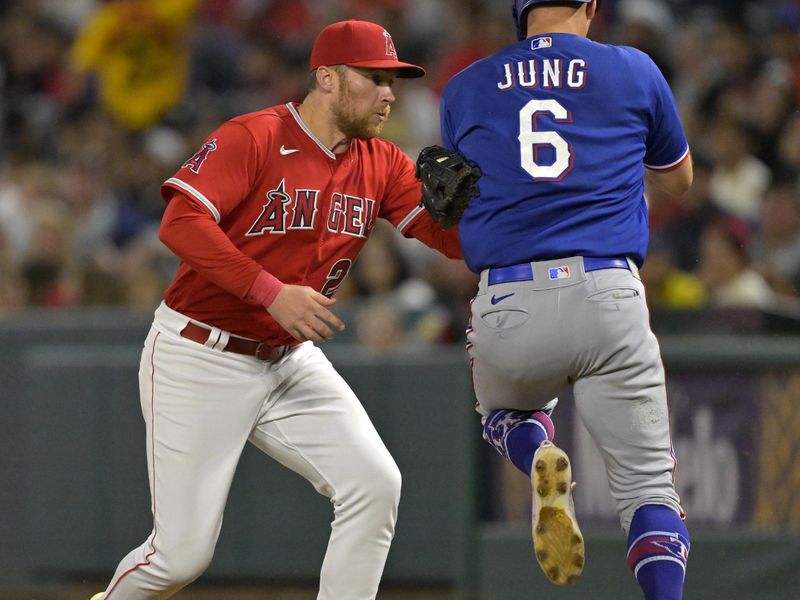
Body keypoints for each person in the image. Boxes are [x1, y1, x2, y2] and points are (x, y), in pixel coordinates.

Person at [90, 20, 461, 600]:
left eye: (394, 81)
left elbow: (452, 242)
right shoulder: (255, 136)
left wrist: (489, 217)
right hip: (199, 353)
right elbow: (180, 223)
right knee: (179, 556)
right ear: (329, 78)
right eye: (375, 78)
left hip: (287, 360)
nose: (390, 93)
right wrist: (269, 290)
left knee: (374, 484)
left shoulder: (382, 162)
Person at [437, 1, 693, 598]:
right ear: (590, 7)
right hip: (609, 292)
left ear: (519, 14)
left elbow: (456, 198)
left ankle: (537, 456)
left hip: (509, 297)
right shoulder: (632, 68)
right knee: (650, 493)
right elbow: (679, 179)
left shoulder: (465, 86)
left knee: (503, 413)